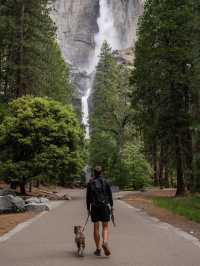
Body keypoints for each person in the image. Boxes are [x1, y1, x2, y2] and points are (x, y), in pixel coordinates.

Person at [86, 166, 113, 256]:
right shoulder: (106, 182)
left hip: (94, 206)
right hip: (104, 206)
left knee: (96, 227)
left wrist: (88, 208)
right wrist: (111, 206)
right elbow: (110, 195)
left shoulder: (90, 182)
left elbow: (88, 197)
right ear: (101, 173)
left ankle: (98, 249)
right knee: (105, 226)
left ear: (94, 173)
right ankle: (105, 242)